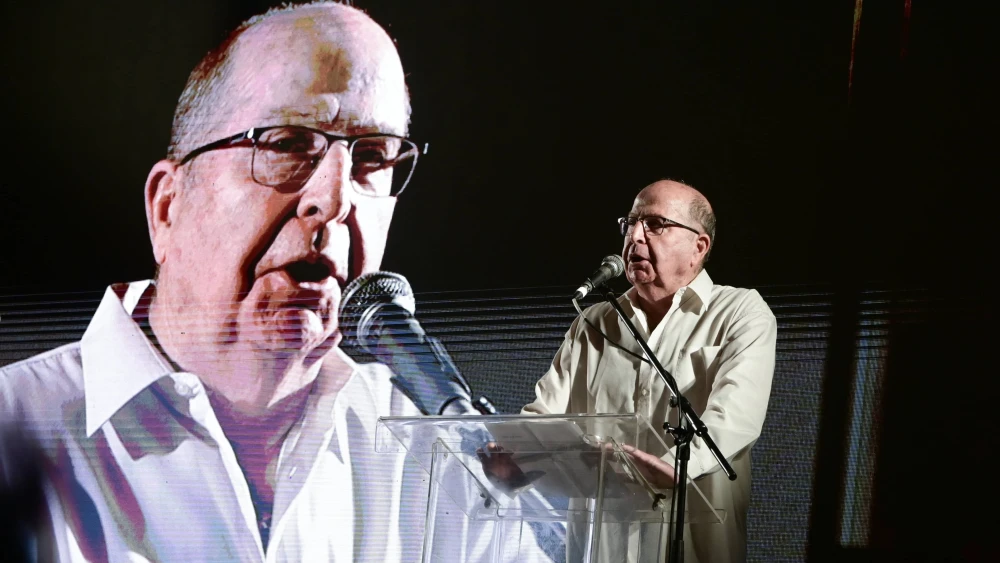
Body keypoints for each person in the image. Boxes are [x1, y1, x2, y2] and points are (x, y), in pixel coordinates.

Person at [0, 3, 547, 562]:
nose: (334, 201)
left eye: (372, 158)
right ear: (168, 207)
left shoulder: (440, 461)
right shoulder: (11, 434)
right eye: (287, 143)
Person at [523, 179, 778, 563]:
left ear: (699, 247)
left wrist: (678, 465)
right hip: (600, 550)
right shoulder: (594, 322)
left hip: (693, 546)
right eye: (630, 222)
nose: (635, 235)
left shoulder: (740, 313)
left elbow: (735, 419)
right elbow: (545, 417)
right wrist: (518, 456)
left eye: (656, 224)